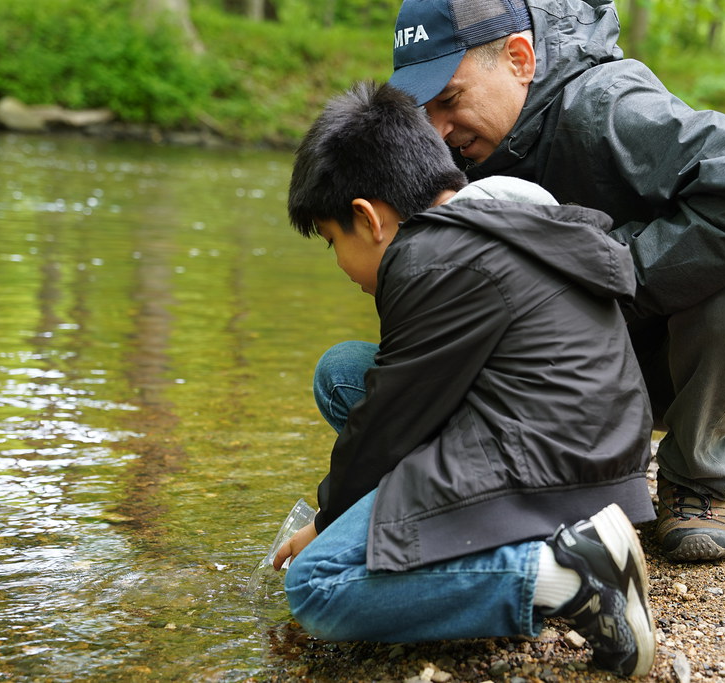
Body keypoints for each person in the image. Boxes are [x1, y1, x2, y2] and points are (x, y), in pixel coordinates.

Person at [384, 0, 725, 562]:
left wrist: (606, 270)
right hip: (602, 373)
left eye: (449, 100)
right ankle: (571, 482)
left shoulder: (609, 107)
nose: (439, 130)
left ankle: (696, 482)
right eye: (423, 111)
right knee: (349, 374)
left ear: (519, 59)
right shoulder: (458, 152)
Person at [275, 80, 656, 677]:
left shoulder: (432, 259)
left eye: (332, 243)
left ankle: (563, 574)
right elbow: (395, 398)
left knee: (317, 587)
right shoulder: (484, 220)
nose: (340, 265)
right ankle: (513, 547)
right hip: (588, 444)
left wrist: (326, 524)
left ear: (366, 218)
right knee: (345, 374)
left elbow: (390, 424)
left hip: (555, 470)